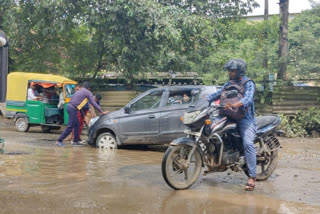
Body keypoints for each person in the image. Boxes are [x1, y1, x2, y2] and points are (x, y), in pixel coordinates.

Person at [207, 58, 257, 191]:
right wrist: (206, 99)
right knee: (213, 132)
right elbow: (217, 94)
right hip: (228, 115)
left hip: (244, 118)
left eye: (232, 70)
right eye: (229, 70)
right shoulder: (228, 83)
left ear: (240, 71)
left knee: (248, 143)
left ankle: (252, 176)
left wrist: (235, 104)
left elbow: (248, 98)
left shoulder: (249, 83)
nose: (230, 73)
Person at [56, 81, 109, 147]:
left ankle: (75, 141)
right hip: (73, 109)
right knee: (70, 126)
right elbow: (93, 103)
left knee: (77, 125)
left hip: (71, 107)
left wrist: (84, 116)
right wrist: (102, 112)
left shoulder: (79, 91)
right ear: (89, 88)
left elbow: (79, 106)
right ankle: (59, 140)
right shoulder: (88, 92)